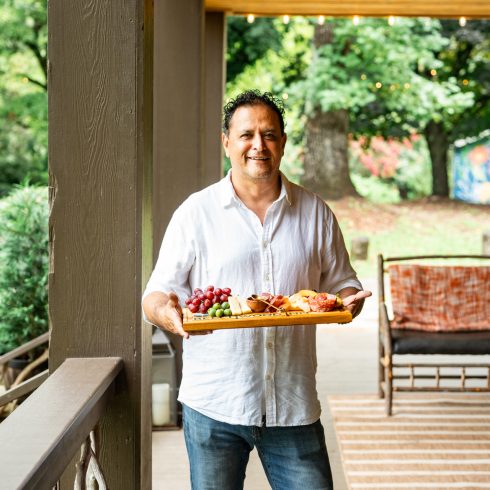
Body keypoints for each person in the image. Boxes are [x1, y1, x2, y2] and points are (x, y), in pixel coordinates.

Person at [143, 90, 371, 490]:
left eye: (269, 134)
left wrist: (349, 302)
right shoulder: (195, 214)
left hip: (293, 406)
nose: (258, 145)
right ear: (226, 142)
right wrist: (167, 313)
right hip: (214, 404)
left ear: (282, 143)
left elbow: (343, 283)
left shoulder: (316, 212)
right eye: (246, 134)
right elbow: (156, 294)